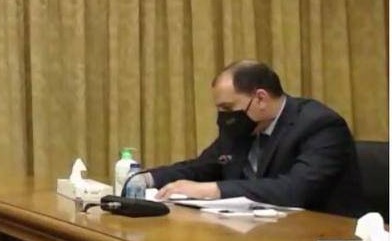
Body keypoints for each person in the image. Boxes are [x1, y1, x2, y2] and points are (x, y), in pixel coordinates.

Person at [149, 60, 363, 216]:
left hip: (322, 240)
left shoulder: (320, 125)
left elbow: (296, 190)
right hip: (256, 232)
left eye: (228, 108)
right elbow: (200, 167)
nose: (224, 117)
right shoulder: (243, 129)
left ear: (261, 98)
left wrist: (213, 190)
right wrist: (146, 179)